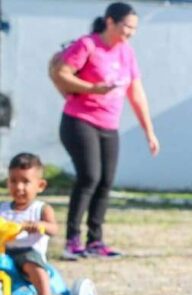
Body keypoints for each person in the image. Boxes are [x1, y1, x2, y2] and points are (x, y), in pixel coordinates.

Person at [52, 2, 159, 260]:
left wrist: (149, 131)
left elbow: (136, 93)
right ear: (110, 22)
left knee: (105, 181)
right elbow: (60, 72)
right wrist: (92, 88)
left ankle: (95, 240)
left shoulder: (127, 53)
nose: (130, 33)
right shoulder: (88, 45)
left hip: (108, 125)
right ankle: (72, 241)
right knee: (89, 177)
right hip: (79, 120)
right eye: (126, 26)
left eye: (134, 28)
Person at [0, 153, 61, 295]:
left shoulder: (41, 209)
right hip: (4, 250)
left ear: (40, 185)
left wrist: (40, 225)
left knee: (32, 264)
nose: (19, 187)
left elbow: (54, 229)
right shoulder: (3, 208)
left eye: (25, 182)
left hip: (28, 251)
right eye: (13, 181)